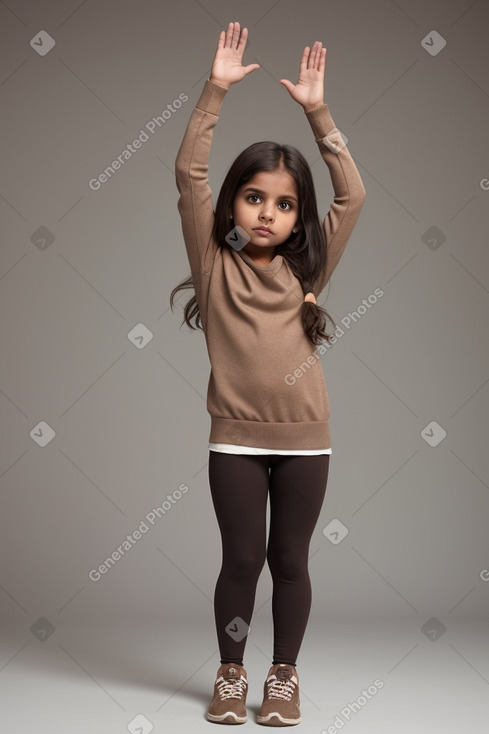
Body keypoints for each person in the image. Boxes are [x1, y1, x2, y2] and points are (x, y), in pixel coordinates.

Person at [171, 21, 366, 726]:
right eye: (254, 197)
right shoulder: (215, 259)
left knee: (290, 560)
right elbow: (190, 176)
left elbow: (352, 197)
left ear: (294, 220)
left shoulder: (304, 268)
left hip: (306, 437)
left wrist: (317, 113)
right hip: (236, 438)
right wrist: (213, 93)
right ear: (233, 206)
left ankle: (282, 677)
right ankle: (231, 673)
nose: (267, 213)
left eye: (283, 204)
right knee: (240, 561)